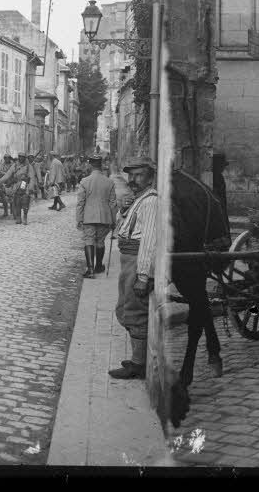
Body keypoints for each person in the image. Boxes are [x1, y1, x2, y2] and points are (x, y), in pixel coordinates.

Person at [108, 156, 160, 380]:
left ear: (150, 177)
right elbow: (124, 227)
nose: (133, 179)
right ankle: (137, 359)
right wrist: (123, 211)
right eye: (131, 175)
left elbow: (149, 240)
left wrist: (143, 275)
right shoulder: (138, 199)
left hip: (137, 260)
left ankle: (139, 364)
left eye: (139, 175)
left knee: (134, 310)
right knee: (125, 308)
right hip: (127, 259)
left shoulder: (150, 202)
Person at [75, 153, 117, 278]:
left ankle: (90, 270)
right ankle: (99, 266)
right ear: (101, 165)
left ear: (91, 165)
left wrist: (79, 218)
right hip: (104, 217)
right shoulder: (109, 182)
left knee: (88, 240)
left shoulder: (85, 181)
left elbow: (80, 203)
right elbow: (113, 203)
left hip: (88, 217)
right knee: (100, 241)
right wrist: (113, 220)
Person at [1, 153, 40, 225]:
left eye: (23, 157)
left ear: (25, 158)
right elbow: (8, 174)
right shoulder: (15, 165)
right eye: (20, 157)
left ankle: (25, 217)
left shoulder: (29, 166)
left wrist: (31, 187)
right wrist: (0, 181)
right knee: (17, 202)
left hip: (25, 186)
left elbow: (32, 178)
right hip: (16, 186)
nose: (21, 158)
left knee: (25, 202)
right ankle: (18, 218)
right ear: (18, 157)